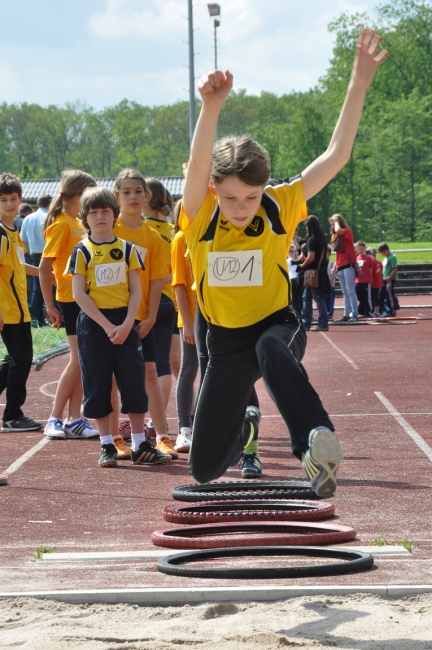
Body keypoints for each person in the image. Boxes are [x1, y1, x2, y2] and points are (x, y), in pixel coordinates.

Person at [181, 28, 387, 497]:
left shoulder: (279, 204)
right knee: (204, 469)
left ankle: (313, 442)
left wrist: (357, 84)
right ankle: (239, 427)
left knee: (271, 350)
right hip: (225, 342)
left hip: (277, 323)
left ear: (265, 188)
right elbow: (196, 168)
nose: (241, 207)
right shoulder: (199, 214)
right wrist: (211, 108)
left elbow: (335, 157)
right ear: (215, 191)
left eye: (251, 196)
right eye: (231, 197)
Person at [67, 186, 171, 468]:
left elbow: (136, 290)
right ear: (85, 217)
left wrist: (127, 324)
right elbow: (79, 294)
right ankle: (107, 445)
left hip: (126, 323)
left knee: (133, 382)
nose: (100, 216)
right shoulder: (81, 252)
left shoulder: (128, 251)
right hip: (94, 325)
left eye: (105, 211)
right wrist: (105, 324)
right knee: (98, 383)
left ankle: (139, 445)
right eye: (94, 212)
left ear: (114, 215)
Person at [112, 169, 176, 459]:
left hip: (143, 316)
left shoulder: (152, 236)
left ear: (146, 196)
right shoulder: (109, 230)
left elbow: (156, 279)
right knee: (112, 377)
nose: (133, 196)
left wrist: (149, 317)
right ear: (117, 196)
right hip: (112, 314)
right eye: (126, 192)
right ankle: (114, 438)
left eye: (138, 191)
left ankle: (162, 436)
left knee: (151, 372)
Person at [39, 170, 99, 440]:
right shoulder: (62, 224)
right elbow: (44, 267)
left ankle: (75, 418)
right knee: (77, 360)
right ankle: (54, 417)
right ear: (80, 193)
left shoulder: (76, 222)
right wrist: (49, 305)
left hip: (85, 297)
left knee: (83, 361)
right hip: (70, 300)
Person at [0, 173, 41, 431]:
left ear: (20, 199)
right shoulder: (1, 234)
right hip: (7, 310)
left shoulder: (14, 231)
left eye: (12, 199)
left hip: (19, 309)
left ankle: (13, 412)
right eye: (2, 200)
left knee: (16, 358)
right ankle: (12, 414)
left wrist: (48, 274)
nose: (8, 204)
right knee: (22, 359)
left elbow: (17, 265)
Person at [142, 178, 179, 457]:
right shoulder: (172, 230)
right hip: (174, 302)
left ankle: (153, 424)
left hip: (148, 302)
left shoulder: (141, 230)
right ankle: (173, 422)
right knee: (171, 365)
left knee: (153, 368)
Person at [171, 202, 197, 454]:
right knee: (188, 370)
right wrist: (187, 321)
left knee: (217, 370)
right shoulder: (180, 239)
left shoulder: (207, 235)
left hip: (216, 319)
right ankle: (184, 430)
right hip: (191, 319)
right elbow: (178, 283)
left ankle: (210, 424)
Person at [21, 193, 53, 326]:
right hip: (49, 254)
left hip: (34, 254)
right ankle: (57, 318)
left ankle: (35, 319)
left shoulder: (28, 218)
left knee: (36, 287)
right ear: (50, 203)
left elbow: (23, 239)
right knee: (54, 284)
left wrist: (30, 251)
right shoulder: (50, 216)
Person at [300, 215, 330, 331]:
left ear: (308, 227)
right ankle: (306, 322)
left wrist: (302, 265)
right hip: (320, 271)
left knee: (317, 298)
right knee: (307, 297)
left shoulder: (311, 240)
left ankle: (322, 323)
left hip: (312, 273)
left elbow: (311, 257)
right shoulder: (323, 239)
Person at [329, 213, 359, 322]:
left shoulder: (347, 231)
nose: (333, 225)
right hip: (340, 266)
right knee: (345, 292)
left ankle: (355, 315)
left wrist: (336, 220)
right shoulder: (336, 235)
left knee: (350, 291)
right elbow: (338, 254)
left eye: (334, 223)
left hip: (348, 265)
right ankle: (346, 314)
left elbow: (339, 230)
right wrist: (335, 267)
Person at [378, 242, 399, 316]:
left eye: (382, 253)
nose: (382, 255)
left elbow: (395, 268)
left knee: (390, 295)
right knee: (385, 295)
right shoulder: (386, 257)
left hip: (389, 279)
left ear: (386, 251)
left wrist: (389, 277)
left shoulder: (392, 257)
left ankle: (392, 310)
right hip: (385, 279)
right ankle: (387, 309)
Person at [354, 240, 374, 317]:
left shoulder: (368, 258)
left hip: (366, 280)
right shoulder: (356, 258)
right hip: (358, 281)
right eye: (358, 249)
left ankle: (368, 311)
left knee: (366, 296)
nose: (360, 250)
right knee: (358, 295)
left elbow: (371, 269)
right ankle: (362, 310)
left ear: (365, 249)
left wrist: (368, 278)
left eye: (361, 249)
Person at [366, 246, 383, 316]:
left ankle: (375, 311)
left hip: (373, 282)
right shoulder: (378, 262)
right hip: (379, 281)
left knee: (373, 297)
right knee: (376, 296)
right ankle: (377, 311)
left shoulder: (371, 261)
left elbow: (371, 271)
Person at [325, 245, 336, 317]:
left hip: (330, 283)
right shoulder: (321, 262)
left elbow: (334, 273)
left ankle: (330, 312)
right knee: (324, 298)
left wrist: (330, 280)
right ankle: (325, 311)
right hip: (324, 284)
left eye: (327, 252)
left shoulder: (331, 262)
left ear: (329, 253)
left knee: (330, 298)